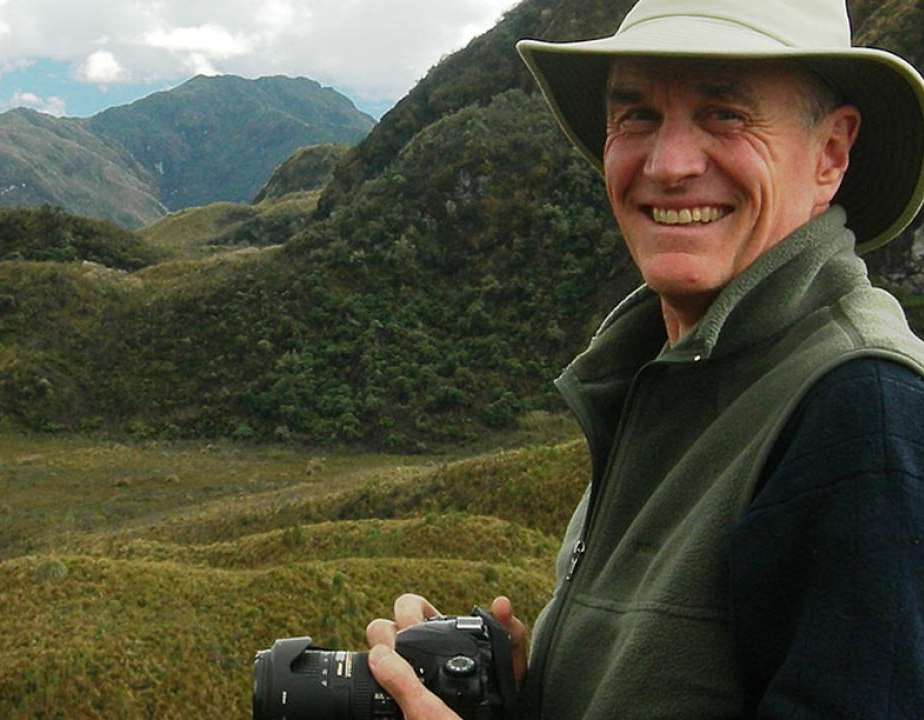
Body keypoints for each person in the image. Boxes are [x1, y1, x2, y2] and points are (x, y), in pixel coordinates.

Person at [365, 0, 924, 717]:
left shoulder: (863, 417)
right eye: (637, 117)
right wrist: (523, 691)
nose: (668, 166)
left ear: (831, 153)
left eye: (725, 114)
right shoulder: (671, 376)